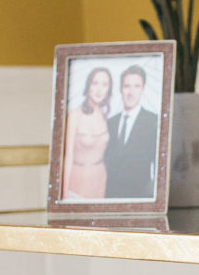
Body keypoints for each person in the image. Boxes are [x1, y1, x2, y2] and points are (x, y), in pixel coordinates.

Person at [105, 64, 160, 199]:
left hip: (141, 198)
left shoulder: (154, 121)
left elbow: (158, 165)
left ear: (143, 89)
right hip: (109, 198)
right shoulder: (110, 123)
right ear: (120, 89)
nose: (131, 92)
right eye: (127, 86)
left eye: (136, 86)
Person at [62, 65, 112, 199]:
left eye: (104, 84)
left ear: (108, 89)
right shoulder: (74, 115)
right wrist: (63, 194)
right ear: (88, 86)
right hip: (78, 183)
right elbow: (68, 156)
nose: (99, 89)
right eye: (95, 83)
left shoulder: (105, 116)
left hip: (101, 181)